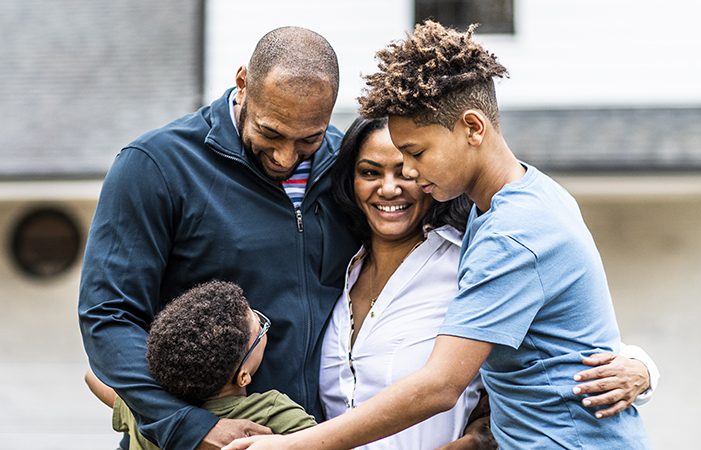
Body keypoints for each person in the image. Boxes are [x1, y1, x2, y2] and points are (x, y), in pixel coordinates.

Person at [226, 21, 652, 450]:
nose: (409, 172)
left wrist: (292, 446)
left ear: (473, 128)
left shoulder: (513, 232)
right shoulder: (514, 204)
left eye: (416, 153)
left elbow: (441, 386)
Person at [78, 26, 359, 450]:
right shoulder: (155, 166)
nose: (285, 157)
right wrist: (192, 428)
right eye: (270, 132)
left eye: (309, 139)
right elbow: (109, 317)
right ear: (242, 83)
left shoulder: (350, 168)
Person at [316, 116, 659, 449]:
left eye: (409, 165)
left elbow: (563, 337)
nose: (391, 186)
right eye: (370, 172)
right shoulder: (333, 267)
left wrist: (641, 367)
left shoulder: (477, 255)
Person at [84, 280, 316, 450]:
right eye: (260, 328)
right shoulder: (270, 412)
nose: (263, 325)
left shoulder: (145, 413)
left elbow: (91, 376)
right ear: (243, 375)